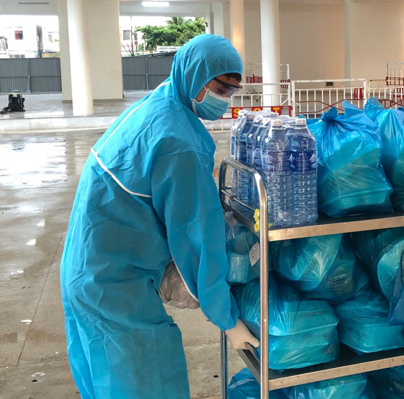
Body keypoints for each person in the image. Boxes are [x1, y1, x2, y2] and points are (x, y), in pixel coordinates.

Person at [60, 34, 259, 399]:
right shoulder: (179, 144)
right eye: (219, 88)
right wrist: (227, 319)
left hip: (88, 266)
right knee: (148, 379)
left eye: (231, 92)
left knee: (106, 383)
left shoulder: (160, 104)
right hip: (114, 285)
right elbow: (197, 235)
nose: (224, 100)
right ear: (195, 76)